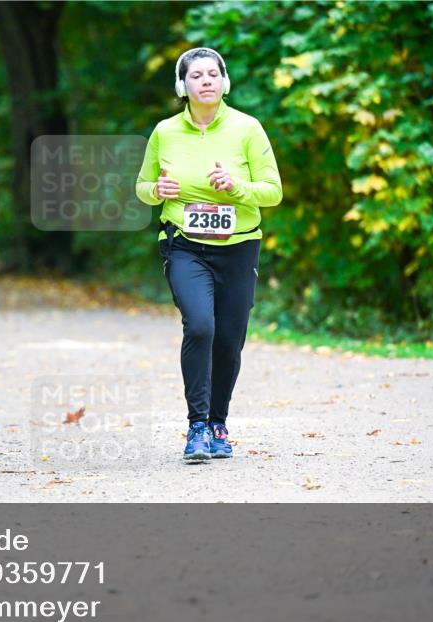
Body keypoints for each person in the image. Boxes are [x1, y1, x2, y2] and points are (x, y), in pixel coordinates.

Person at [135, 47, 282, 462]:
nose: (205, 80)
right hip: (184, 244)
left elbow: (273, 191)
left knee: (229, 340)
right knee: (200, 326)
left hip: (239, 246)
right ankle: (196, 426)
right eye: (196, 75)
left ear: (224, 81)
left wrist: (236, 186)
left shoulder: (248, 129)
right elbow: (143, 186)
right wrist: (156, 192)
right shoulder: (165, 131)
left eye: (213, 73)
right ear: (182, 86)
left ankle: (219, 423)